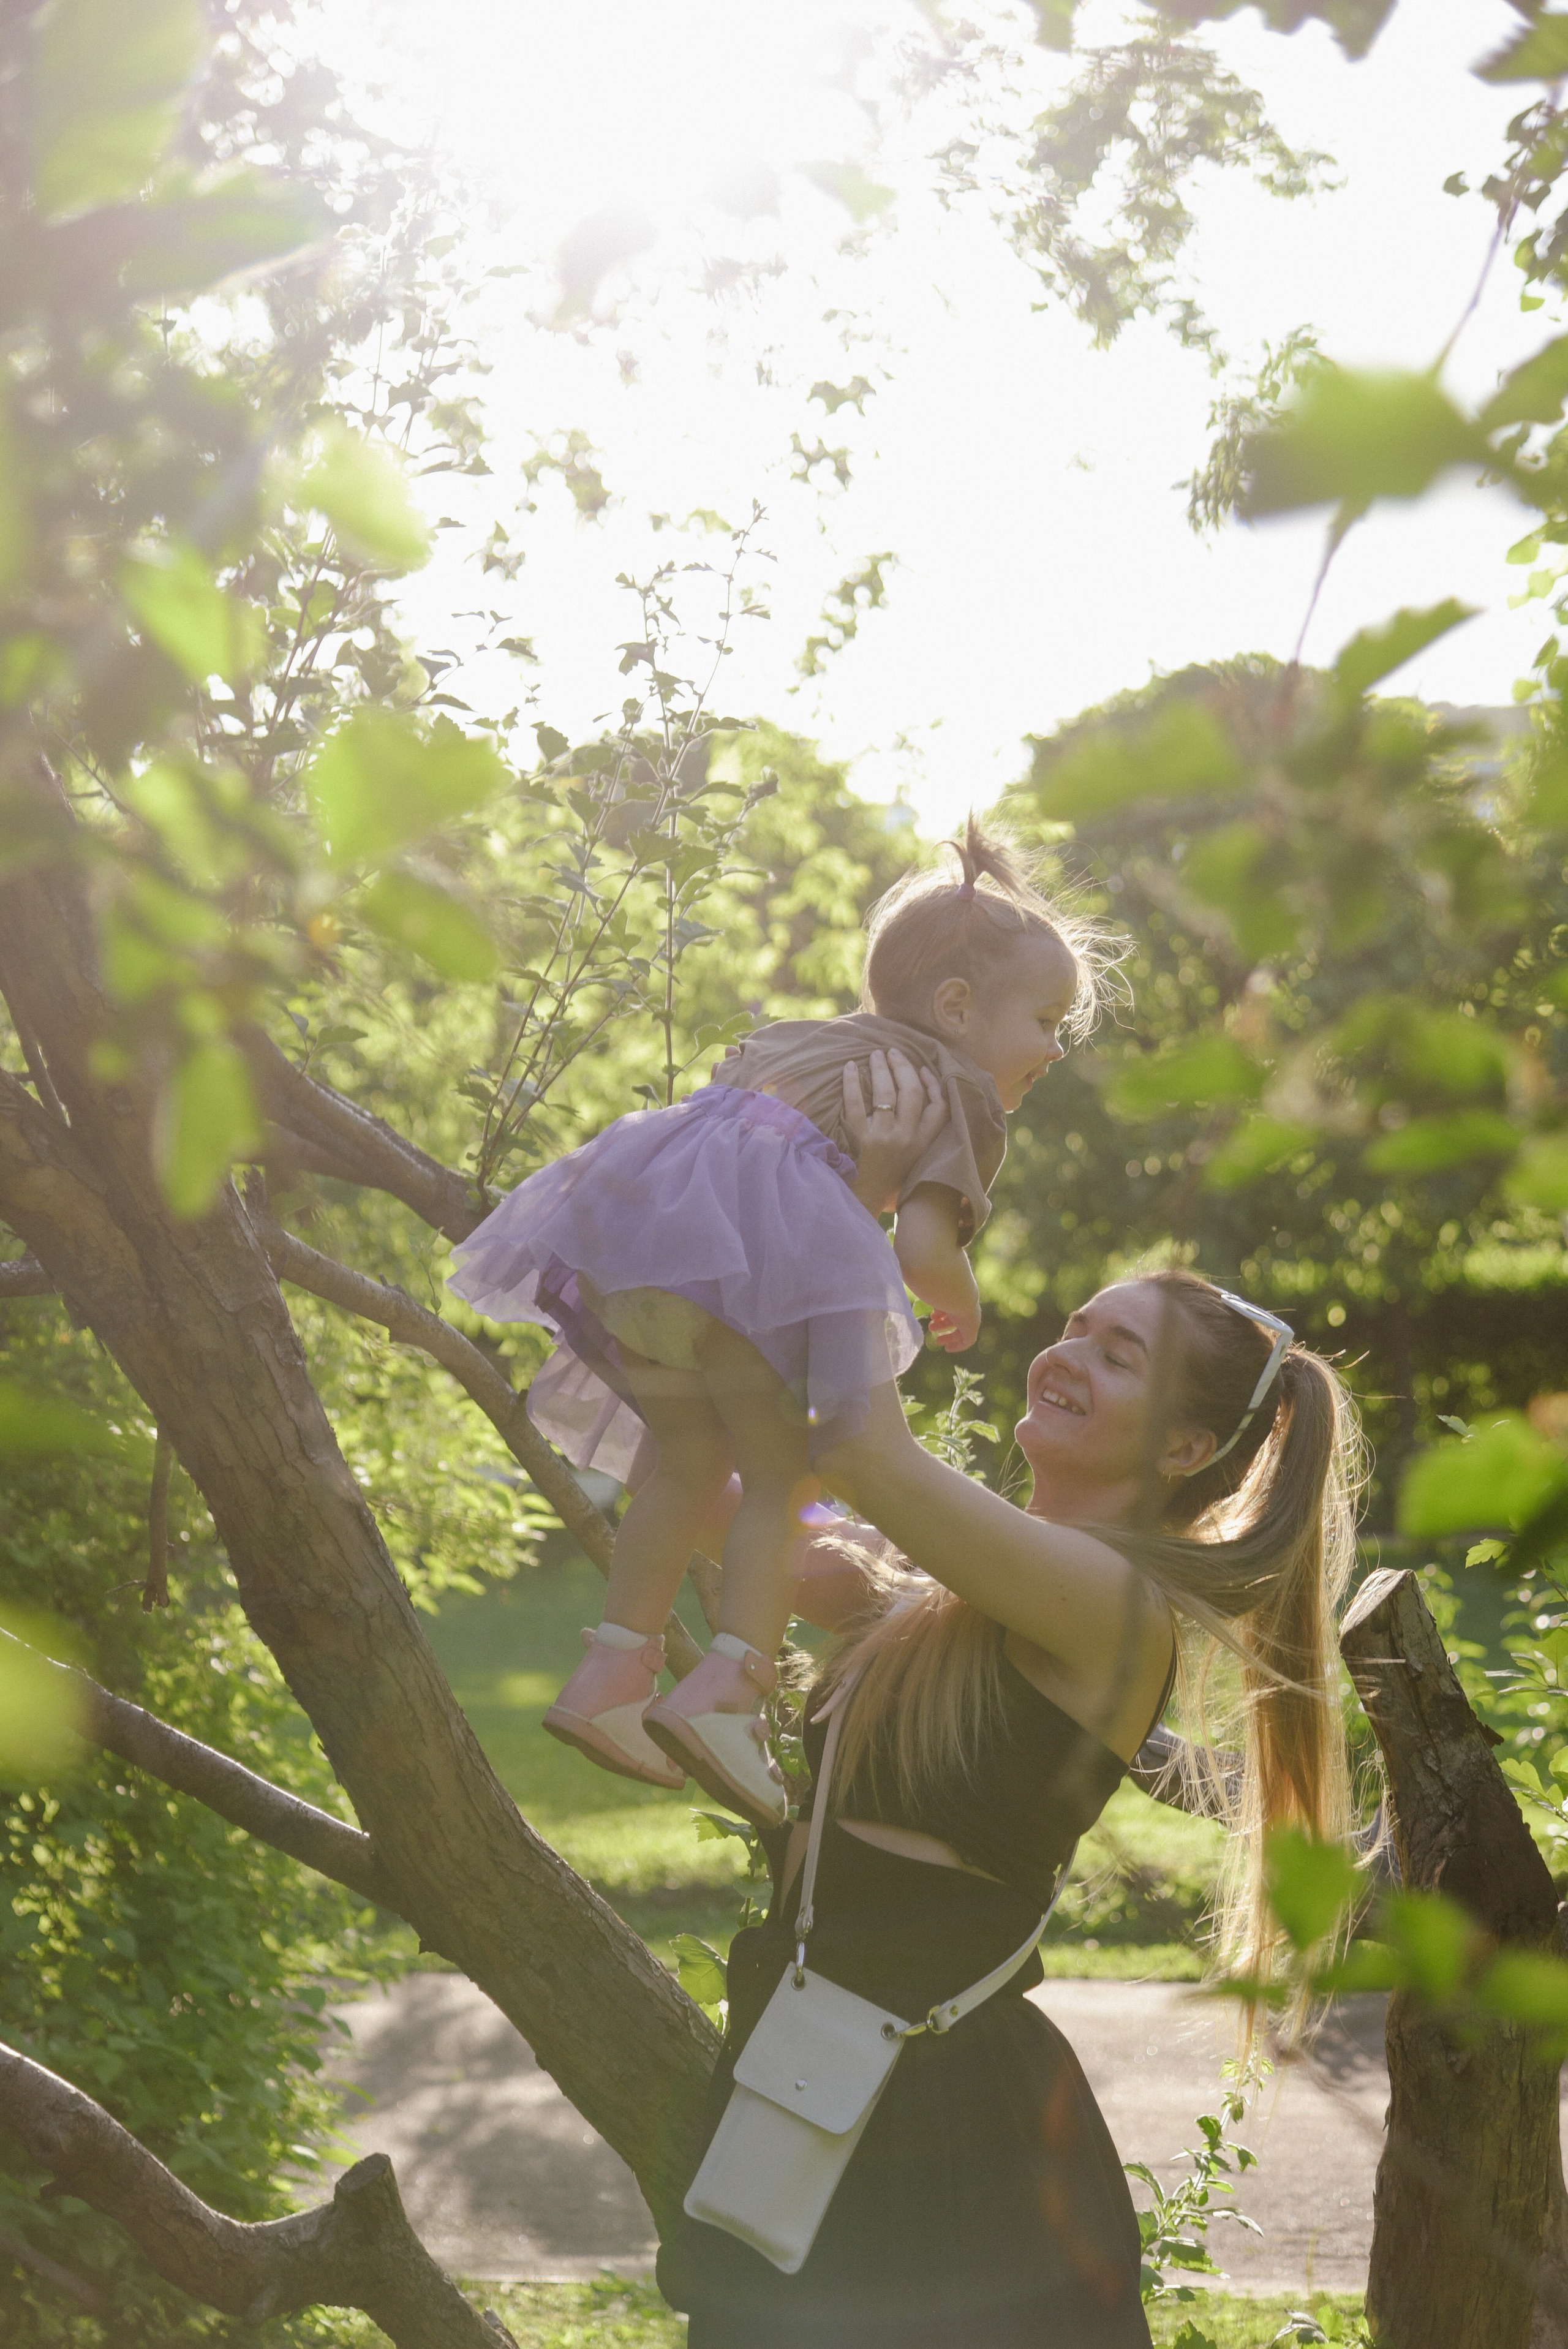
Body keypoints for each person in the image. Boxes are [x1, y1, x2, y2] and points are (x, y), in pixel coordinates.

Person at [660, 1267, 1361, 2349]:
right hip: (827, 2060)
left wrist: (827, 1227)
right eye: (1076, 1325)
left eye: (1118, 1354)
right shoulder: (930, 1593)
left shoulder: (1113, 1605)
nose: (1066, 1353)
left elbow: (861, 1448)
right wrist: (652, 1314)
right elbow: (717, 1499)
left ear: (1182, 1449)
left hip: (941, 2119)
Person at [448, 820, 1110, 1827]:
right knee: (781, 1472)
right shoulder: (959, 1093)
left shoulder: (807, 1039)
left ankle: (611, 1675)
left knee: (686, 1461)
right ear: (959, 1008)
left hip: (635, 1244)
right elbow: (925, 1255)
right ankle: (729, 1693)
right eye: (1048, 1018)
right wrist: (958, 1300)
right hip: (735, 1275)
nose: (1055, 1047)